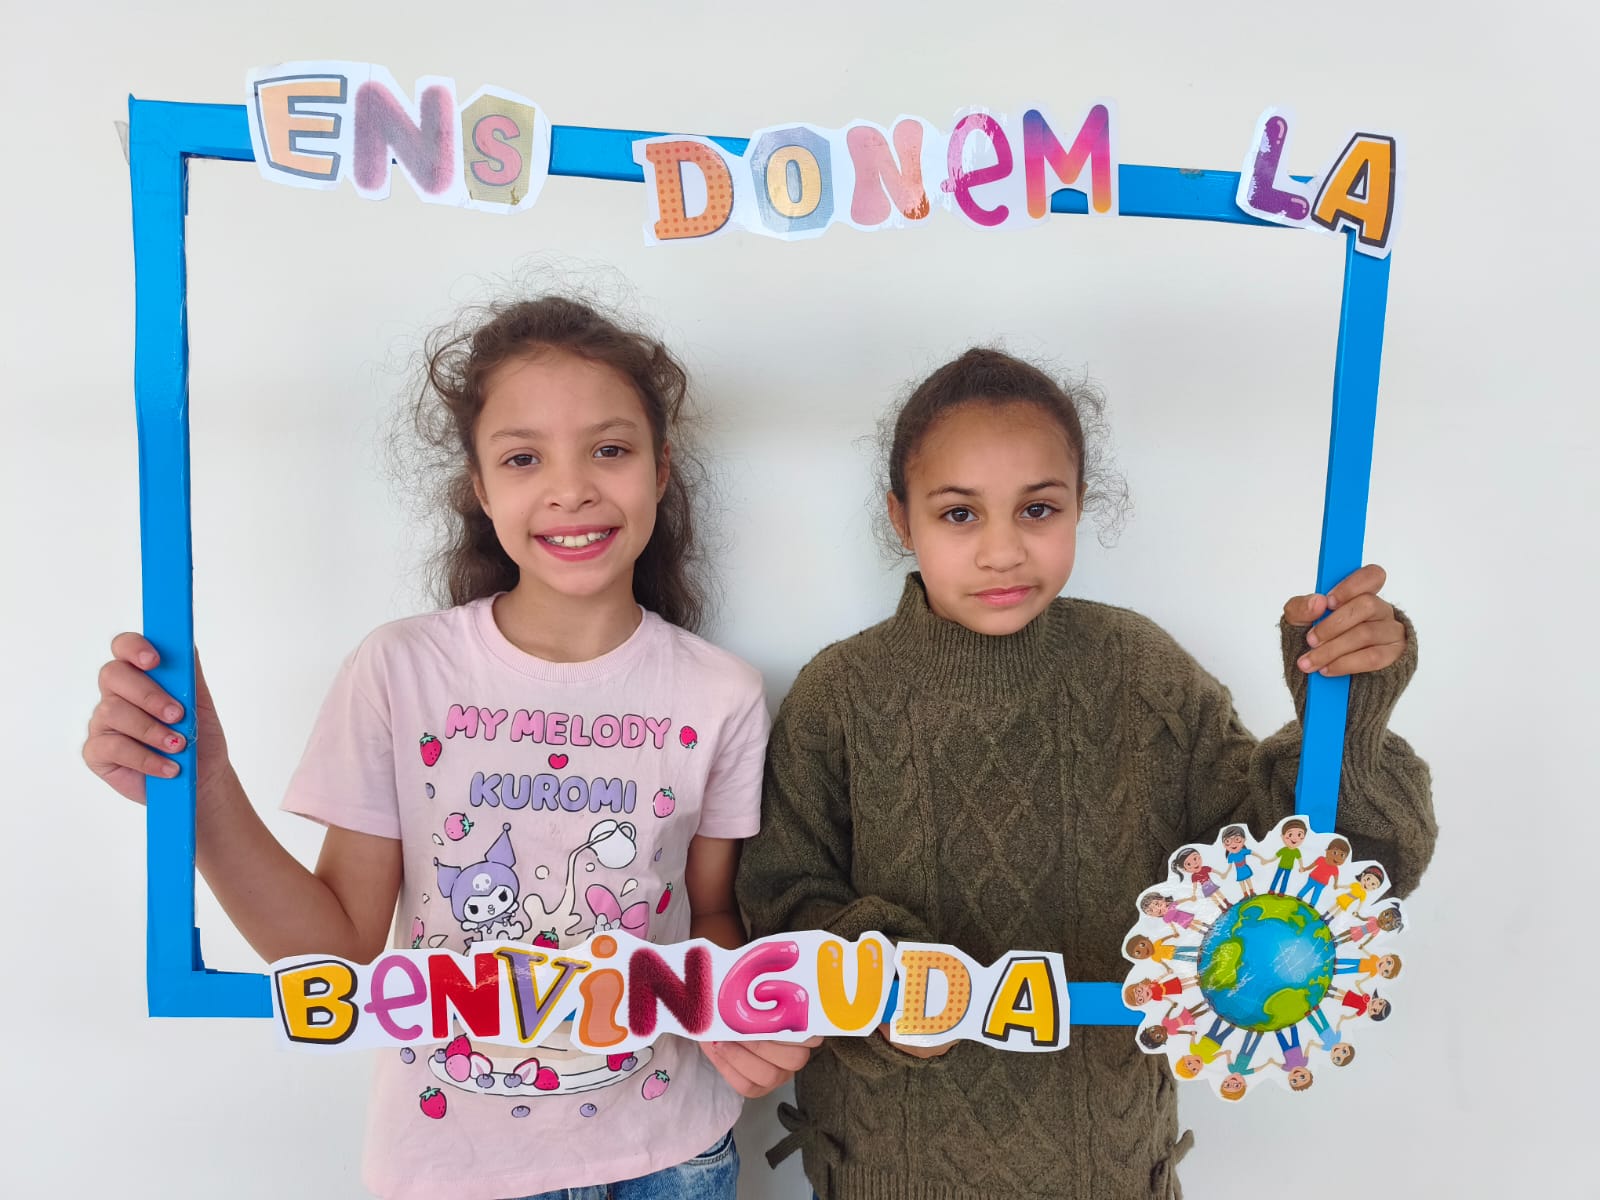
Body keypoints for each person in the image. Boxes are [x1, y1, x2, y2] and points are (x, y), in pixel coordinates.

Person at [83, 296, 814, 1200]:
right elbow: (341, 955)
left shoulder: (721, 693)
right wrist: (203, 792)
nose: (571, 488)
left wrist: (741, 1009)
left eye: (610, 450)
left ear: (660, 471)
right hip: (456, 1168)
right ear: (480, 487)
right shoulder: (401, 671)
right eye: (523, 457)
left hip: (673, 1157)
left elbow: (709, 916)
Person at [734, 347, 1436, 1199]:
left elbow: (1313, 876)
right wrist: (885, 978)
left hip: (1111, 1169)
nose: (1002, 550)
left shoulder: (1141, 671)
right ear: (901, 519)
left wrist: (1344, 716)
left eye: (1037, 509)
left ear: (1078, 503)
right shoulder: (842, 693)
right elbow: (780, 899)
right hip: (886, 1172)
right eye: (959, 514)